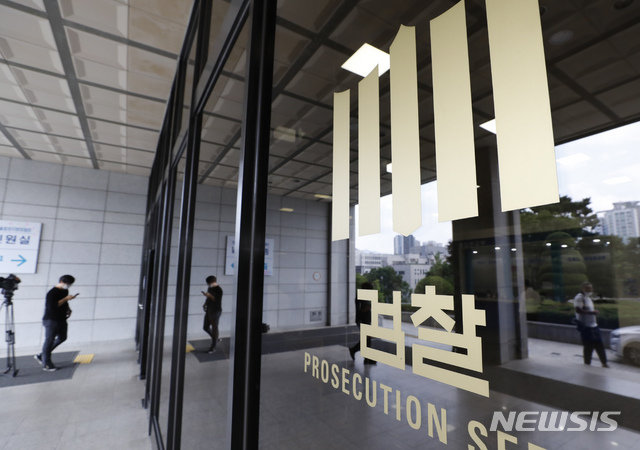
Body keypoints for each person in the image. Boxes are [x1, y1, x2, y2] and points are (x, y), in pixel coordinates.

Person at [35, 275, 78, 372]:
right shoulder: (52, 292)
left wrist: (68, 308)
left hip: (61, 319)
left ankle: (41, 355)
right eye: (68, 284)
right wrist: (66, 299)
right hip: (51, 320)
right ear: (62, 282)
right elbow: (52, 306)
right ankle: (46, 364)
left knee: (62, 337)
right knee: (49, 340)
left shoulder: (65, 291)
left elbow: (64, 302)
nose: (69, 286)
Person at [574, 281, 609, 368]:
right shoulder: (579, 297)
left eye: (591, 288)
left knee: (599, 345)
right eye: (588, 288)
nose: (590, 290)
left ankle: (604, 363)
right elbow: (578, 310)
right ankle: (587, 364)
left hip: (594, 325)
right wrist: (592, 313)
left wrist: (592, 313)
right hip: (586, 327)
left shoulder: (588, 298)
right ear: (583, 288)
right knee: (588, 347)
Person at [349, 281, 376, 364]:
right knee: (366, 339)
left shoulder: (364, 296)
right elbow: (360, 309)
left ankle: (366, 358)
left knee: (367, 339)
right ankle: (355, 351)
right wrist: (366, 309)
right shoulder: (361, 296)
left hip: (366, 319)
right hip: (363, 320)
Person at [202, 275, 223, 353]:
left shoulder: (219, 290)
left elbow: (216, 300)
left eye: (208, 283)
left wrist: (209, 295)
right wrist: (205, 304)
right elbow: (208, 298)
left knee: (214, 328)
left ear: (211, 282)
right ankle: (216, 339)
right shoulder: (210, 288)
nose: (208, 285)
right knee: (205, 327)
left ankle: (213, 347)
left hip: (216, 311)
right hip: (209, 310)